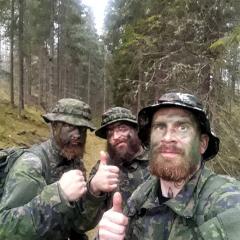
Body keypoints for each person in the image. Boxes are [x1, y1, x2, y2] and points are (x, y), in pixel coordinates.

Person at [98, 92, 240, 240]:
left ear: (202, 144)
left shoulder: (226, 200)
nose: (167, 138)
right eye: (160, 127)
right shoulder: (141, 196)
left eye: (182, 128)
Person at [0, 98, 105, 240]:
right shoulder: (31, 165)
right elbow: (5, 229)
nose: (78, 135)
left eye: (82, 129)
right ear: (54, 126)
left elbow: (78, 225)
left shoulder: (74, 163)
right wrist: (59, 196)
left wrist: (93, 191)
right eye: (70, 126)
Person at [87, 107, 149, 226]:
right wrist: (93, 188)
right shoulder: (103, 169)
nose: (115, 136)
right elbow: (85, 223)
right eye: (110, 132)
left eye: (122, 128)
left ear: (135, 129)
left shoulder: (157, 161)